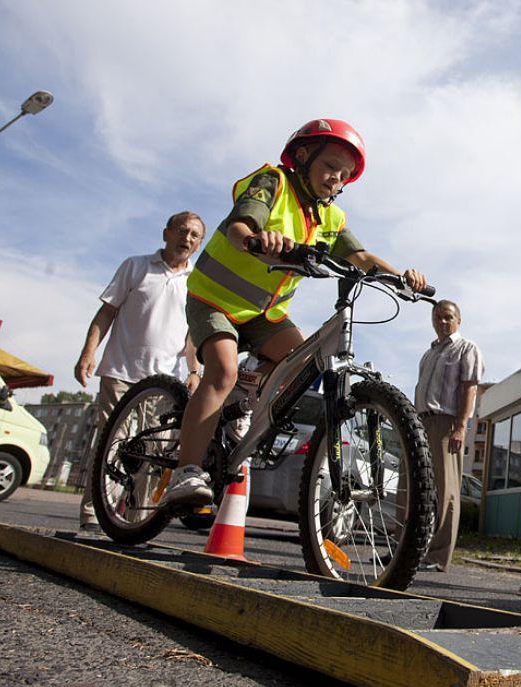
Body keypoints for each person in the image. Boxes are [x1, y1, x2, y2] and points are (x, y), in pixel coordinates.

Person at [162, 118, 428, 509]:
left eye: (345, 175)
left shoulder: (330, 218)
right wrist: (258, 239)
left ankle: (238, 404)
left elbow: (360, 257)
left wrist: (402, 278)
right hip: (215, 299)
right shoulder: (274, 183)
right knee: (221, 369)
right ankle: (185, 472)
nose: (337, 178)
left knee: (303, 362)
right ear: (303, 156)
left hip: (264, 314)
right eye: (330, 166)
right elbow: (240, 226)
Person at [73, 211, 205, 529]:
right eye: (181, 231)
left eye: (194, 235)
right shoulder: (135, 266)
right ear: (166, 233)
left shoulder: (195, 283)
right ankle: (93, 514)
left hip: (164, 384)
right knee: (110, 444)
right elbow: (106, 312)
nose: (186, 238)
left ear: (199, 244)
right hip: (121, 371)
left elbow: (191, 335)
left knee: (153, 454)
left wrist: (194, 370)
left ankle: (133, 520)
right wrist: (88, 352)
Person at [414, 299, 484, 572]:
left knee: (447, 491)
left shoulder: (466, 348)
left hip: (446, 424)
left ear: (458, 320)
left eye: (448, 317)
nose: (442, 322)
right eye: (437, 317)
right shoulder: (429, 353)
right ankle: (407, 551)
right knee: (418, 489)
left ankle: (438, 556)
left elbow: (470, 389)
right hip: (421, 423)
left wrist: (460, 427)